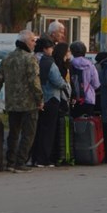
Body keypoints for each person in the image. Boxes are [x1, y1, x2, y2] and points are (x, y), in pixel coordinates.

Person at [0, 30, 43, 172]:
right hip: (28, 103)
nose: (34, 43)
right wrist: (40, 99)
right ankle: (21, 162)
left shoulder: (7, 58)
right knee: (28, 133)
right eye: (32, 40)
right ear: (25, 42)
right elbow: (34, 82)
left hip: (12, 103)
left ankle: (10, 162)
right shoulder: (30, 59)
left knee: (13, 133)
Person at [31, 37, 69, 167]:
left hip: (34, 98)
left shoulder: (31, 59)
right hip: (50, 97)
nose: (53, 50)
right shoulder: (49, 62)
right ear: (45, 48)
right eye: (51, 47)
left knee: (36, 129)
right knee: (48, 130)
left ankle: (33, 157)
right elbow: (57, 81)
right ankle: (44, 159)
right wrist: (65, 84)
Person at [68, 41, 100, 117]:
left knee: (74, 121)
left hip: (74, 98)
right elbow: (96, 84)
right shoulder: (91, 66)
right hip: (89, 98)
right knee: (87, 123)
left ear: (72, 52)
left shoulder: (70, 64)